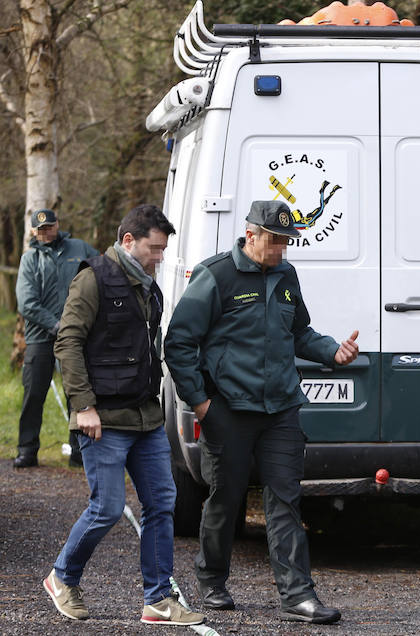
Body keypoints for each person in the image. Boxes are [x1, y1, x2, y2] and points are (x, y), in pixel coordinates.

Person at [164, 200, 359, 624]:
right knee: (226, 499)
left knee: (285, 501)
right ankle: (212, 578)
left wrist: (333, 351)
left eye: (286, 242)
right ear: (250, 234)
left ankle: (297, 596)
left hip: (281, 409)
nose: (280, 250)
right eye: (274, 241)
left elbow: (300, 333)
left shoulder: (287, 276)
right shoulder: (216, 275)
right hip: (229, 410)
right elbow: (178, 342)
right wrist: (200, 402)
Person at [44, 205, 205, 627]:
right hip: (103, 420)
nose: (160, 257)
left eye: (164, 249)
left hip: (146, 418)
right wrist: (83, 407)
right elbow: (68, 344)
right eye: (154, 248)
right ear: (128, 240)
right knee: (108, 508)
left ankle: (158, 600)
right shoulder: (91, 279)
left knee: (162, 503)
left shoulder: (150, 286)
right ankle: (63, 577)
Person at [13, 209, 98, 469]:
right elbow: (26, 303)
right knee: (34, 394)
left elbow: (103, 273)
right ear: (33, 232)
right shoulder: (30, 259)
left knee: (77, 393)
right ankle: (27, 450)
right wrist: (56, 325)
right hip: (41, 338)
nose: (45, 232)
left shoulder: (80, 248)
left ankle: (79, 451)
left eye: (49, 227)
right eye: (40, 229)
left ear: (57, 225)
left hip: (76, 337)